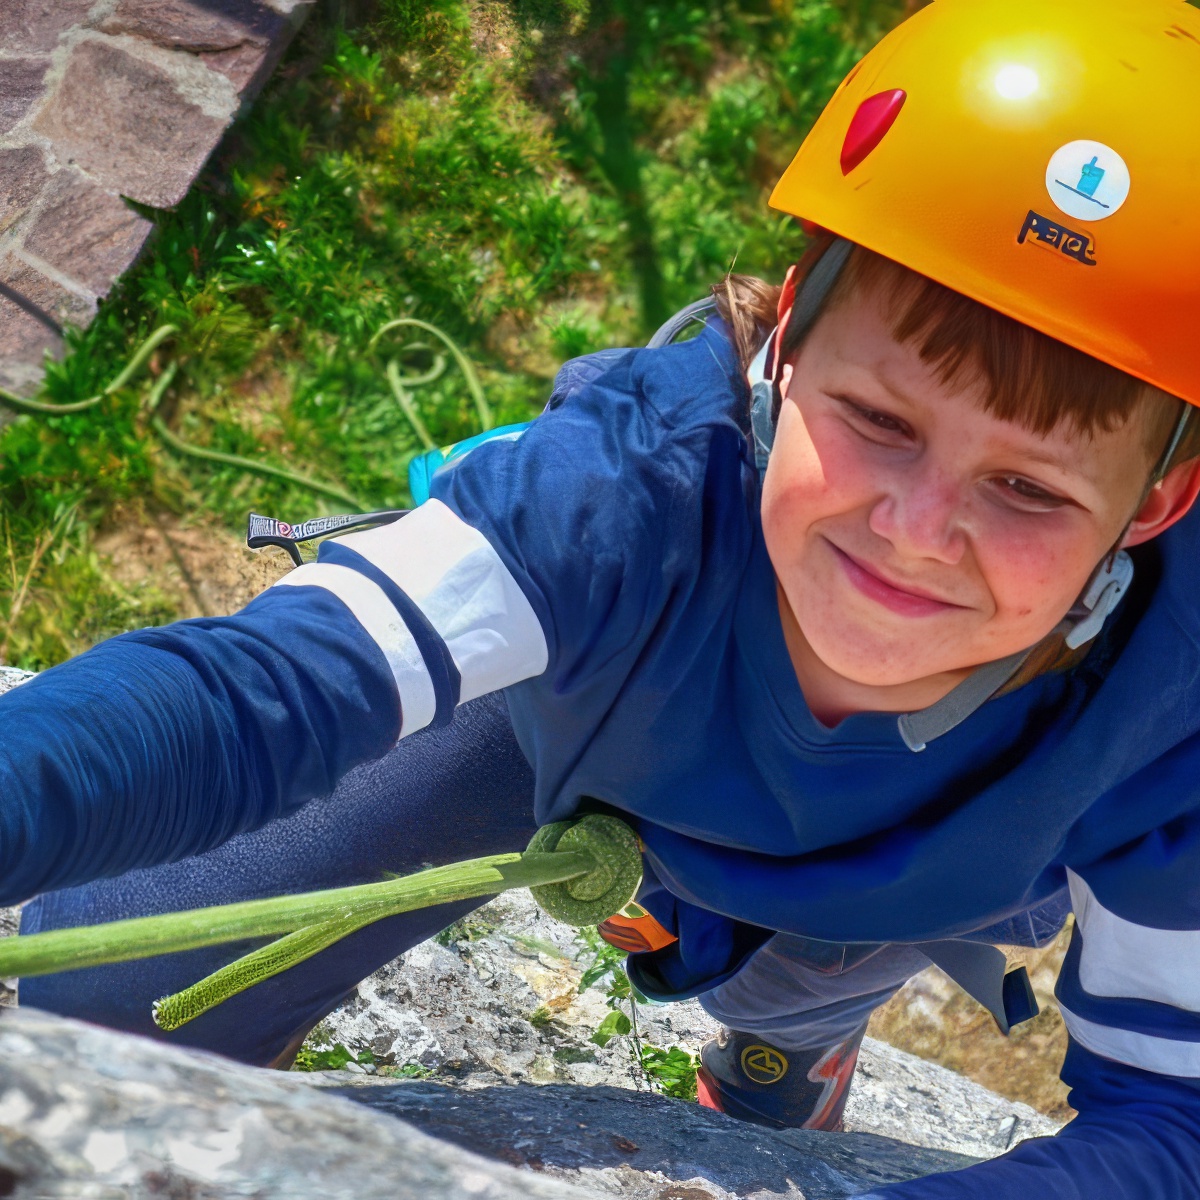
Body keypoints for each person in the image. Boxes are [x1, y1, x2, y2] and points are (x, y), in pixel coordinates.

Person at [4, 0, 1200, 1193]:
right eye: (880, 421)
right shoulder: (629, 490)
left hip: (896, 865)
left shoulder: (1173, 706)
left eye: (1028, 490)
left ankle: (782, 1061)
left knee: (795, 1001)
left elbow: (1174, 1118)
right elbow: (255, 697)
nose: (916, 532)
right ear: (781, 342)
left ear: (1157, 505)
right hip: (565, 706)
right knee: (108, 996)